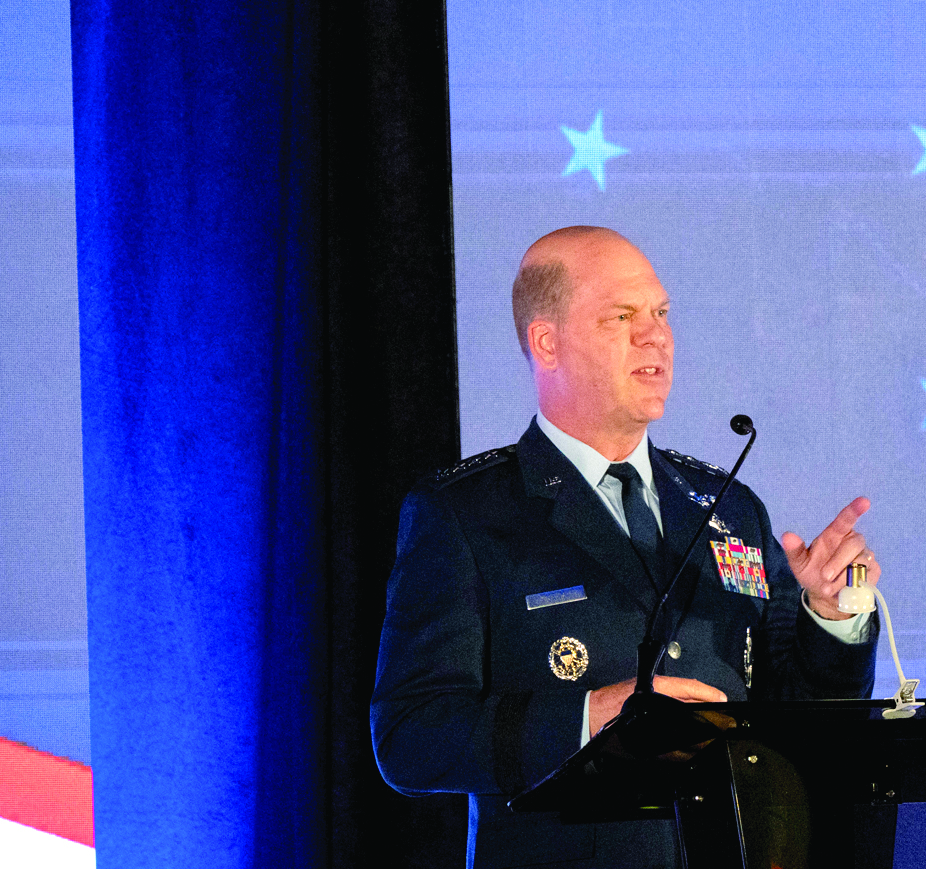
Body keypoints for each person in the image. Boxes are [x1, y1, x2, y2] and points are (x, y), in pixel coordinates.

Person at [371, 226, 882, 868]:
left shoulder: (728, 506)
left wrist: (830, 617)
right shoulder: (464, 514)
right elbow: (411, 737)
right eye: (622, 316)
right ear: (547, 343)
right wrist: (589, 717)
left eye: (661, 313)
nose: (655, 335)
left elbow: (798, 721)